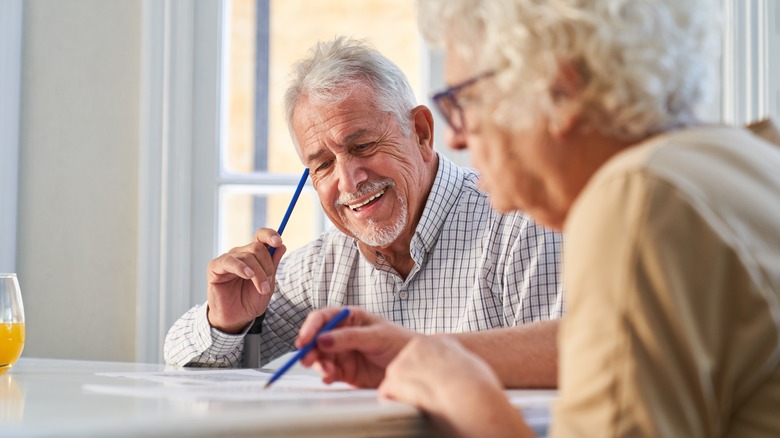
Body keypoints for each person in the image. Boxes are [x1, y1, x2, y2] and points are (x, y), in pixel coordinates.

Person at [296, 1, 780, 436]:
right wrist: (422, 352)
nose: (458, 140)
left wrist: (467, 398)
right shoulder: (739, 158)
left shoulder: (636, 198)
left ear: (559, 89)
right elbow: (616, 348)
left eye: (464, 102)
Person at [163, 36, 563, 382]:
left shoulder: (521, 229)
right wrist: (226, 323)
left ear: (421, 133)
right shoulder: (325, 264)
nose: (349, 181)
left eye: (362, 146)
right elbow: (180, 361)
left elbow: (572, 370)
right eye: (322, 164)